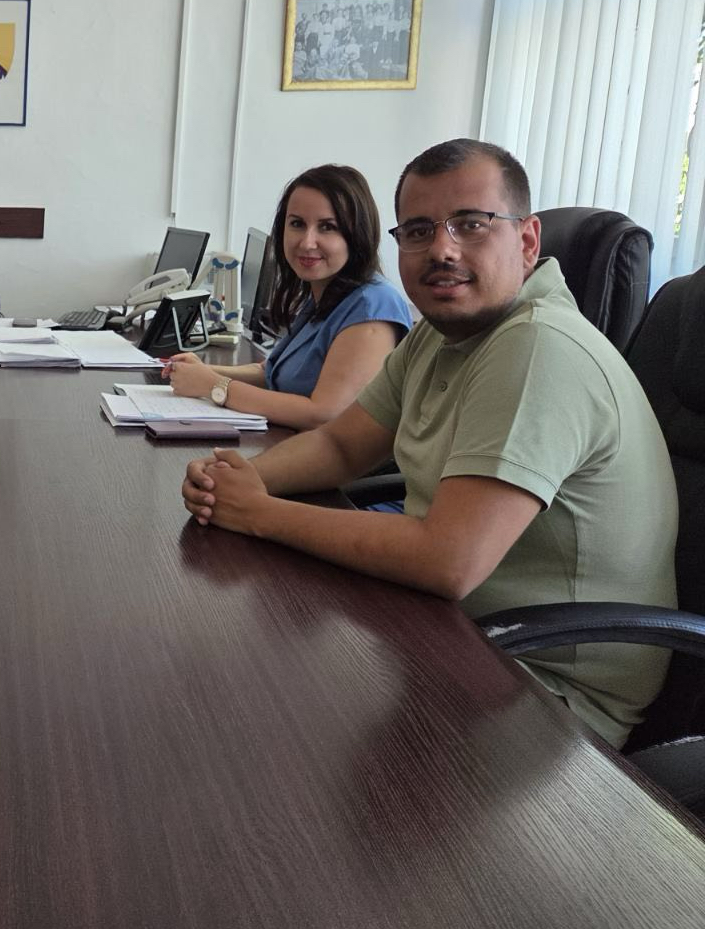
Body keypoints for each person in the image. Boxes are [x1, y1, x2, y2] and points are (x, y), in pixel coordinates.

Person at [181, 138, 677, 747]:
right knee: (241, 683)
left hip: (548, 696)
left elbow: (447, 559)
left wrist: (259, 513)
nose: (442, 249)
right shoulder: (441, 333)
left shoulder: (539, 347)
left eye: (472, 224)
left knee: (256, 724)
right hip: (454, 634)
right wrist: (238, 478)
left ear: (527, 242)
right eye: (418, 230)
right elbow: (341, 447)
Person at [162, 165, 411, 429]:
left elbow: (325, 414)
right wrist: (203, 371)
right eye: (297, 224)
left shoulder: (373, 307)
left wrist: (215, 386)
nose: (307, 242)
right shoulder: (325, 294)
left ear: (357, 235)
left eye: (327, 227)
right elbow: (271, 373)